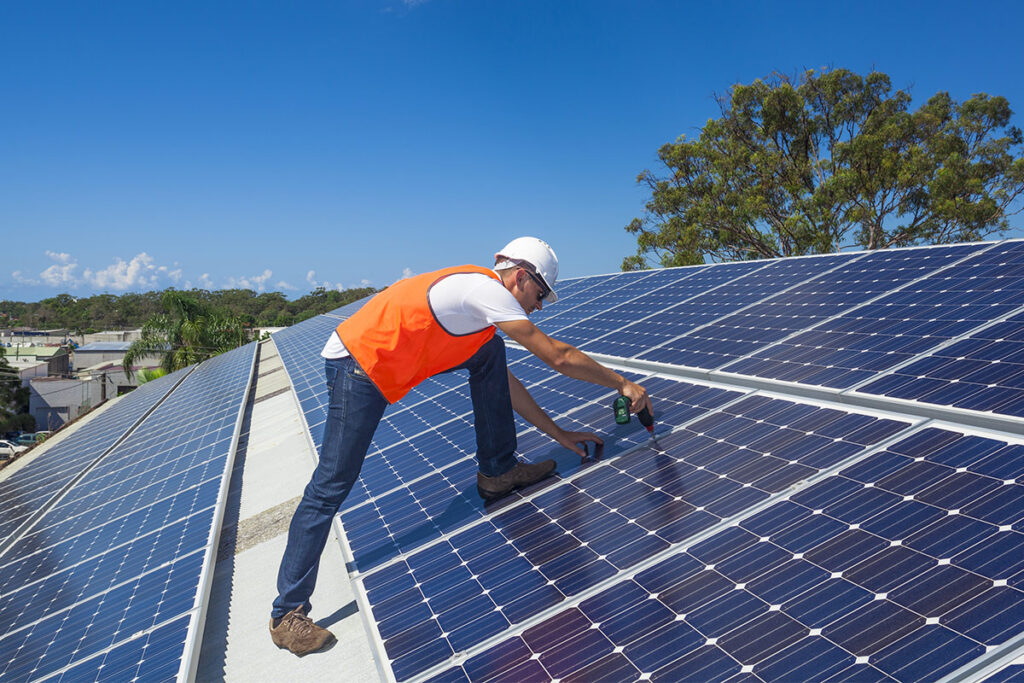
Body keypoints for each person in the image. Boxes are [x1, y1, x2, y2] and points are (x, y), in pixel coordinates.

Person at [269, 236, 652, 655]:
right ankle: (286, 613)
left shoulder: (480, 318)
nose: (539, 305)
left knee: (490, 354)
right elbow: (557, 356)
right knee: (332, 483)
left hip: (388, 361)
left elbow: (506, 385)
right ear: (521, 276)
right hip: (359, 364)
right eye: (540, 294)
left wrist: (558, 434)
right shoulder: (484, 290)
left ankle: (498, 471)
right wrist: (622, 383)